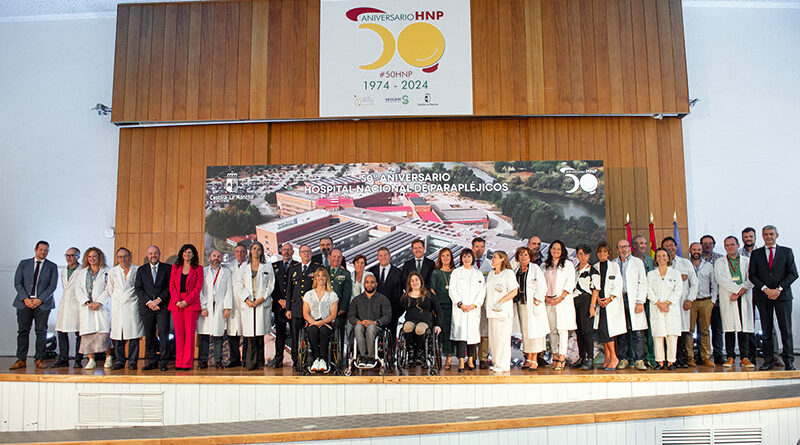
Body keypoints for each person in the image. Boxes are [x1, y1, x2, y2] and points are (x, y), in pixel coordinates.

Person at [748, 225, 797, 371]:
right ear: (762, 236)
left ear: (777, 235)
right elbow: (752, 275)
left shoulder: (787, 252)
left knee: (785, 329)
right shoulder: (756, 254)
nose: (769, 237)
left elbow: (793, 273)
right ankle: (768, 361)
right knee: (766, 330)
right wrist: (766, 290)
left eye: (771, 234)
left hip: (783, 296)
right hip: (763, 296)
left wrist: (778, 289)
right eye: (766, 234)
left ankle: (789, 361)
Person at [11, 240, 58, 370]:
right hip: (24, 303)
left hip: (42, 304)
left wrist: (40, 300)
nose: (43, 252)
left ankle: (39, 359)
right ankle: (21, 360)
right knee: (23, 331)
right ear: (35, 250)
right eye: (41, 249)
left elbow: (52, 286)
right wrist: (25, 299)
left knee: (41, 332)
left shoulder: (52, 266)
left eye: (46, 250)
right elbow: (17, 283)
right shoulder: (24, 264)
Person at [715, 236, 755, 369]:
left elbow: (752, 277)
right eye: (727, 245)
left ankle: (745, 357)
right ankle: (730, 356)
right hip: (728, 297)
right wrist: (737, 290)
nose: (730, 247)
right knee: (729, 327)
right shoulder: (720, 262)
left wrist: (740, 291)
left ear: (738, 245)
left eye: (732, 244)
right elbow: (721, 279)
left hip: (743, 296)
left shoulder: (747, 261)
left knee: (744, 328)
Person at [237, 241, 275, 371]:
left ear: (262, 252)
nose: (256, 251)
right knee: (249, 337)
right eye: (254, 249)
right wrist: (247, 300)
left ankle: (260, 363)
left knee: (260, 335)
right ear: (250, 251)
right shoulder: (244, 267)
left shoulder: (267, 266)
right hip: (248, 304)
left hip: (261, 303)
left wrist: (261, 299)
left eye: (259, 249)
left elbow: (271, 284)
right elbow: (238, 285)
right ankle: (250, 363)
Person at [134, 245, 172, 371]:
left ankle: (163, 361)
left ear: (159, 254)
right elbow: (138, 289)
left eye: (155, 253)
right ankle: (151, 360)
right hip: (147, 308)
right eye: (150, 253)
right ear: (147, 255)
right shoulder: (141, 270)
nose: (153, 255)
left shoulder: (168, 268)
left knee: (163, 334)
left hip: (163, 306)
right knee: (149, 335)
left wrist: (158, 300)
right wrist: (149, 302)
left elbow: (170, 287)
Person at [74, 247, 112, 370]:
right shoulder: (82, 272)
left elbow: (109, 289)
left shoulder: (107, 271)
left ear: (99, 257)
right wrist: (87, 302)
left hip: (101, 308)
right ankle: (91, 359)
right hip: (87, 307)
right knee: (88, 335)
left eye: (94, 256)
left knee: (104, 334)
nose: (92, 259)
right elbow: (78, 289)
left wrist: (99, 302)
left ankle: (108, 357)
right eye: (89, 257)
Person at [613, 239, 649, 371]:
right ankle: (624, 358)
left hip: (633, 300)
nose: (623, 249)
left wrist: (640, 301)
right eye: (621, 247)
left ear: (629, 248)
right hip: (619, 300)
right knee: (622, 331)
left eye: (626, 247)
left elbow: (643, 282)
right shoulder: (614, 263)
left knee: (637, 332)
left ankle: (639, 359)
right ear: (617, 249)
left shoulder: (637, 262)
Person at [662, 237, 697, 368]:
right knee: (668, 331)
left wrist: (690, 299)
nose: (670, 248)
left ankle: (681, 358)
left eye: (672, 246)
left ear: (676, 247)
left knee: (682, 332)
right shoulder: (661, 264)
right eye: (666, 246)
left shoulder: (685, 263)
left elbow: (694, 283)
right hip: (667, 305)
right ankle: (669, 359)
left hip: (683, 303)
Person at [449, 248, 485, 373]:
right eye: (464, 257)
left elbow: (482, 291)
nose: (466, 259)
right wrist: (460, 304)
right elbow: (452, 290)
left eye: (469, 256)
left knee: (472, 337)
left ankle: (470, 360)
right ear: (461, 258)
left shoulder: (478, 274)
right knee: (461, 337)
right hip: (461, 309)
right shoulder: (456, 273)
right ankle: (460, 361)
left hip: (473, 310)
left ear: (472, 258)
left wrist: (475, 305)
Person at [543, 240, 576, 371]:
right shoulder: (545, 265)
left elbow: (570, 283)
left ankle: (562, 357)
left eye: (558, 249)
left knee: (562, 330)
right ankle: (555, 355)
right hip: (549, 302)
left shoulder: (567, 265)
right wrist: (546, 297)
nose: (555, 251)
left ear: (562, 251)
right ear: (550, 250)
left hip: (562, 301)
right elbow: (540, 283)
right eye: (553, 248)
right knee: (552, 330)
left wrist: (560, 298)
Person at [169, 244, 203, 371]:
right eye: (185, 252)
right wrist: (178, 300)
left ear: (193, 254)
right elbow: (172, 285)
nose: (187, 254)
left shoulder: (198, 268)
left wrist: (186, 301)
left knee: (189, 334)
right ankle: (179, 362)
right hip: (176, 303)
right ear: (181, 254)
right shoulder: (175, 267)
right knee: (179, 334)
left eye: (189, 252)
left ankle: (187, 363)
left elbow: (198, 288)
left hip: (191, 304)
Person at [107, 247, 143, 370]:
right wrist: (119, 299)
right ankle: (120, 361)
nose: (123, 259)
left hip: (132, 305)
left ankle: (133, 361)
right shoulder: (113, 271)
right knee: (118, 336)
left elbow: (139, 287)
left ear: (130, 256)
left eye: (125, 256)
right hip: (118, 306)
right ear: (117, 258)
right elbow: (110, 289)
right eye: (120, 257)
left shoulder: (137, 270)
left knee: (133, 335)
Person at [197, 249, 234, 368]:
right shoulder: (203, 272)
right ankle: (203, 360)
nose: (216, 258)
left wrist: (227, 307)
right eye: (214, 256)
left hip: (219, 306)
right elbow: (199, 290)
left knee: (218, 335)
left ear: (222, 259)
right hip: (206, 306)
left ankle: (218, 360)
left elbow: (229, 290)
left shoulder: (226, 272)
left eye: (219, 256)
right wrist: (202, 306)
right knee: (204, 335)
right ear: (210, 258)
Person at [591, 242, 625, 371]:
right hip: (600, 304)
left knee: (608, 331)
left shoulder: (614, 266)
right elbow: (594, 286)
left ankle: (614, 357)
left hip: (611, 304)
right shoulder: (595, 267)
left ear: (609, 253)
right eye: (600, 252)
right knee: (602, 331)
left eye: (605, 252)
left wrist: (609, 299)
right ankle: (608, 358)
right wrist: (598, 299)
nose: (602, 254)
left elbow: (618, 284)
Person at [648, 247, 682, 370]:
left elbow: (678, 291)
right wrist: (658, 303)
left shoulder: (675, 273)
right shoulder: (651, 274)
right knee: (658, 335)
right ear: (656, 259)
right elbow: (649, 290)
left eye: (664, 255)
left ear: (668, 258)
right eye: (659, 256)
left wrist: (667, 303)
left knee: (671, 335)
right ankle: (660, 362)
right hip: (657, 307)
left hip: (670, 308)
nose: (661, 258)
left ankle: (671, 361)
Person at [484, 251, 518, 373]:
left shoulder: (508, 273)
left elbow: (514, 291)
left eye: (495, 257)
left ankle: (504, 364)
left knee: (502, 339)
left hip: (502, 312)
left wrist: (501, 301)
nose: (492, 259)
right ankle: (496, 362)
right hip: (491, 312)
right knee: (494, 339)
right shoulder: (492, 274)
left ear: (502, 259)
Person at [287, 245, 320, 371]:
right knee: (295, 337)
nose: (306, 254)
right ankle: (297, 362)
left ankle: (313, 360)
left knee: (312, 336)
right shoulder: (294, 269)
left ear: (311, 253)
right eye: (303, 252)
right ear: (299, 254)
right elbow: (289, 290)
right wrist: (288, 309)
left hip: (311, 310)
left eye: (308, 251)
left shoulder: (317, 268)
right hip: (296, 308)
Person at [399, 271, 442, 368]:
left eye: (416, 280)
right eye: (412, 281)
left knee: (420, 329)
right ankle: (411, 352)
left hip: (425, 321)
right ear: (409, 284)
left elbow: (438, 311)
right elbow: (399, 310)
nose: (415, 283)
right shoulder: (406, 296)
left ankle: (420, 352)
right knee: (407, 327)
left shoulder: (428, 294)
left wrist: (438, 325)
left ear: (421, 281)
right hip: (410, 320)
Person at [348, 273, 392, 367]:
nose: (369, 284)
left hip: (377, 328)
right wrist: (358, 322)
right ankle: (363, 356)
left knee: (371, 328)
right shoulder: (357, 300)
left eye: (372, 282)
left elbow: (387, 316)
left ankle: (371, 357)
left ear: (376, 284)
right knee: (358, 327)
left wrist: (375, 322)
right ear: (364, 284)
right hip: (361, 325)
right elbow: (351, 316)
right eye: (367, 282)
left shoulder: (383, 299)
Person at [514, 246, 546, 370]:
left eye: (525, 255)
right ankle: (528, 358)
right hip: (521, 305)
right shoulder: (517, 270)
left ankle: (534, 359)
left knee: (535, 333)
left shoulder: (535, 269)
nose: (523, 257)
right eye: (521, 255)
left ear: (530, 256)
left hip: (533, 305)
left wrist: (537, 299)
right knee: (526, 333)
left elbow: (542, 285)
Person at [52, 247, 83, 368]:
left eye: (72, 255)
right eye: (67, 255)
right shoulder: (64, 270)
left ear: (78, 257)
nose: (69, 258)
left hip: (77, 305)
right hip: (65, 304)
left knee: (79, 333)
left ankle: (78, 360)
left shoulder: (82, 270)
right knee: (61, 331)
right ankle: (63, 358)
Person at [303, 268, 339, 372]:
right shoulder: (308, 294)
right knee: (313, 330)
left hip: (327, 323)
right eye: (318, 275)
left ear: (326, 278)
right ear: (315, 278)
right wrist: (314, 323)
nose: (321, 278)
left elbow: (333, 315)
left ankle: (323, 359)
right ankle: (315, 359)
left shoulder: (332, 295)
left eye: (323, 275)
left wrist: (322, 322)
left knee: (323, 330)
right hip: (312, 322)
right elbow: (305, 313)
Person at [688, 242, 717, 367]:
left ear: (701, 251)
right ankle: (690, 357)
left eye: (698, 249)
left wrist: (712, 301)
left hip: (706, 301)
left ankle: (706, 357)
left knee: (705, 331)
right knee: (689, 331)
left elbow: (714, 284)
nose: (696, 252)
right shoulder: (685, 265)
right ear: (690, 250)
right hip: (691, 302)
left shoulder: (709, 266)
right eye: (694, 249)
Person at [368, 247, 403, 347]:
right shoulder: (372, 271)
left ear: (389, 256)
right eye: (381, 255)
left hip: (392, 312)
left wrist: (396, 313)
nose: (383, 257)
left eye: (385, 255)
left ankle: (391, 359)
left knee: (390, 339)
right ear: (378, 257)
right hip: (375, 312)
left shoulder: (397, 272)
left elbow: (399, 294)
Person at [632, 234, 657, 368]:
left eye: (645, 243)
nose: (643, 246)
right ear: (634, 245)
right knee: (635, 332)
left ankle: (651, 358)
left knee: (650, 332)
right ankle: (635, 358)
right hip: (633, 300)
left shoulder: (649, 260)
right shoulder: (629, 260)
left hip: (649, 301)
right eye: (640, 243)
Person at [271, 243, 297, 368]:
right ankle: (278, 360)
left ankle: (296, 361)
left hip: (293, 307)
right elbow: (271, 287)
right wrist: (279, 300)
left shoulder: (297, 266)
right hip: (279, 306)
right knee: (279, 335)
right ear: (281, 252)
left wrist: (290, 302)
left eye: (289, 250)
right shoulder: (274, 266)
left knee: (294, 334)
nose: (286, 252)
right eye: (284, 250)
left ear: (293, 252)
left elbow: (298, 288)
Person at [572, 244, 597, 370]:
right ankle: (581, 357)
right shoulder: (575, 270)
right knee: (579, 331)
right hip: (575, 301)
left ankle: (590, 358)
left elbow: (595, 290)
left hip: (587, 299)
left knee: (587, 331)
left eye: (585, 254)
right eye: (580, 254)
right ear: (577, 255)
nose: (583, 257)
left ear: (589, 256)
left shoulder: (592, 270)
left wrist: (592, 306)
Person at [430, 248, 456, 369]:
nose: (445, 258)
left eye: (448, 255)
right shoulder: (436, 273)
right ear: (440, 258)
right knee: (439, 333)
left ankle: (449, 359)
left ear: (451, 258)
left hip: (453, 307)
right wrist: (434, 307)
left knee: (450, 333)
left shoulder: (455, 273)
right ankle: (437, 358)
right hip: (440, 307)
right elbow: (432, 291)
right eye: (443, 256)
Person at [701, 235, 725, 364]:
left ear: (714, 244)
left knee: (717, 330)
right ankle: (703, 356)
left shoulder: (721, 259)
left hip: (717, 301)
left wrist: (714, 299)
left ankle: (719, 355)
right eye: (704, 243)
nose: (707, 245)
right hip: (702, 300)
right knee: (702, 330)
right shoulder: (695, 260)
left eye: (710, 243)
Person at [227, 242, 249, 368]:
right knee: (232, 333)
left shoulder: (250, 266)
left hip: (246, 303)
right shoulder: (229, 267)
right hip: (233, 303)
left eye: (242, 251)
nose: (239, 254)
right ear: (234, 253)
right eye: (237, 251)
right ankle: (234, 358)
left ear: (246, 253)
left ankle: (246, 359)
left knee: (246, 333)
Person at [472, 237, 492, 369]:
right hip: (472, 304)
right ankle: (471, 358)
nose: (480, 249)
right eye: (477, 246)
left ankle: (483, 358)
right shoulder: (467, 263)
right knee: (473, 331)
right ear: (472, 248)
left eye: (482, 246)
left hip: (485, 303)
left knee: (484, 332)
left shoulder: (490, 264)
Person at [327, 248, 353, 338]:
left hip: (338, 311)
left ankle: (340, 352)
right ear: (329, 257)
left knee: (339, 331)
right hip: (323, 310)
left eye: (339, 257)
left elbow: (347, 293)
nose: (336, 259)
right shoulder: (323, 272)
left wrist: (342, 309)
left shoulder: (346, 274)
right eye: (334, 256)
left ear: (341, 259)